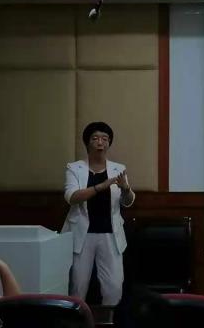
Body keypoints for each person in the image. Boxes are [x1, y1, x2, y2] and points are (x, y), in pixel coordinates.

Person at [62, 122, 135, 306]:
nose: (100, 142)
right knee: (78, 286)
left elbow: (127, 201)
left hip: (110, 234)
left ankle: (111, 319)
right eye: (95, 138)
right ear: (87, 143)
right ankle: (77, 319)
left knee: (114, 287)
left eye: (105, 139)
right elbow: (71, 197)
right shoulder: (74, 168)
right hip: (82, 234)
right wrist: (100, 186)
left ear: (109, 143)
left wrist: (126, 189)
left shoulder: (118, 169)